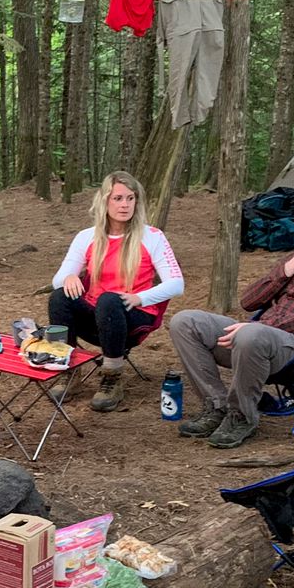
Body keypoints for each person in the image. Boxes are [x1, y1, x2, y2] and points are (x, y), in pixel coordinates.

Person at [168, 188, 294, 448]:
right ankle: (216, 407)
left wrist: (261, 327)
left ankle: (242, 417)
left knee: (251, 334)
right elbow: (249, 301)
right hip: (255, 339)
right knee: (185, 321)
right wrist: (293, 264)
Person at [48, 172, 185, 412]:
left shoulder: (152, 236)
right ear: (105, 201)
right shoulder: (86, 237)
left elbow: (176, 283)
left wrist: (139, 297)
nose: (125, 205)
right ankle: (68, 371)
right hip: (96, 317)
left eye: (130, 198)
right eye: (118, 198)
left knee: (110, 300)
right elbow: (58, 279)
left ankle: (112, 379)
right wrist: (69, 277)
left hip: (133, 316)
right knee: (59, 297)